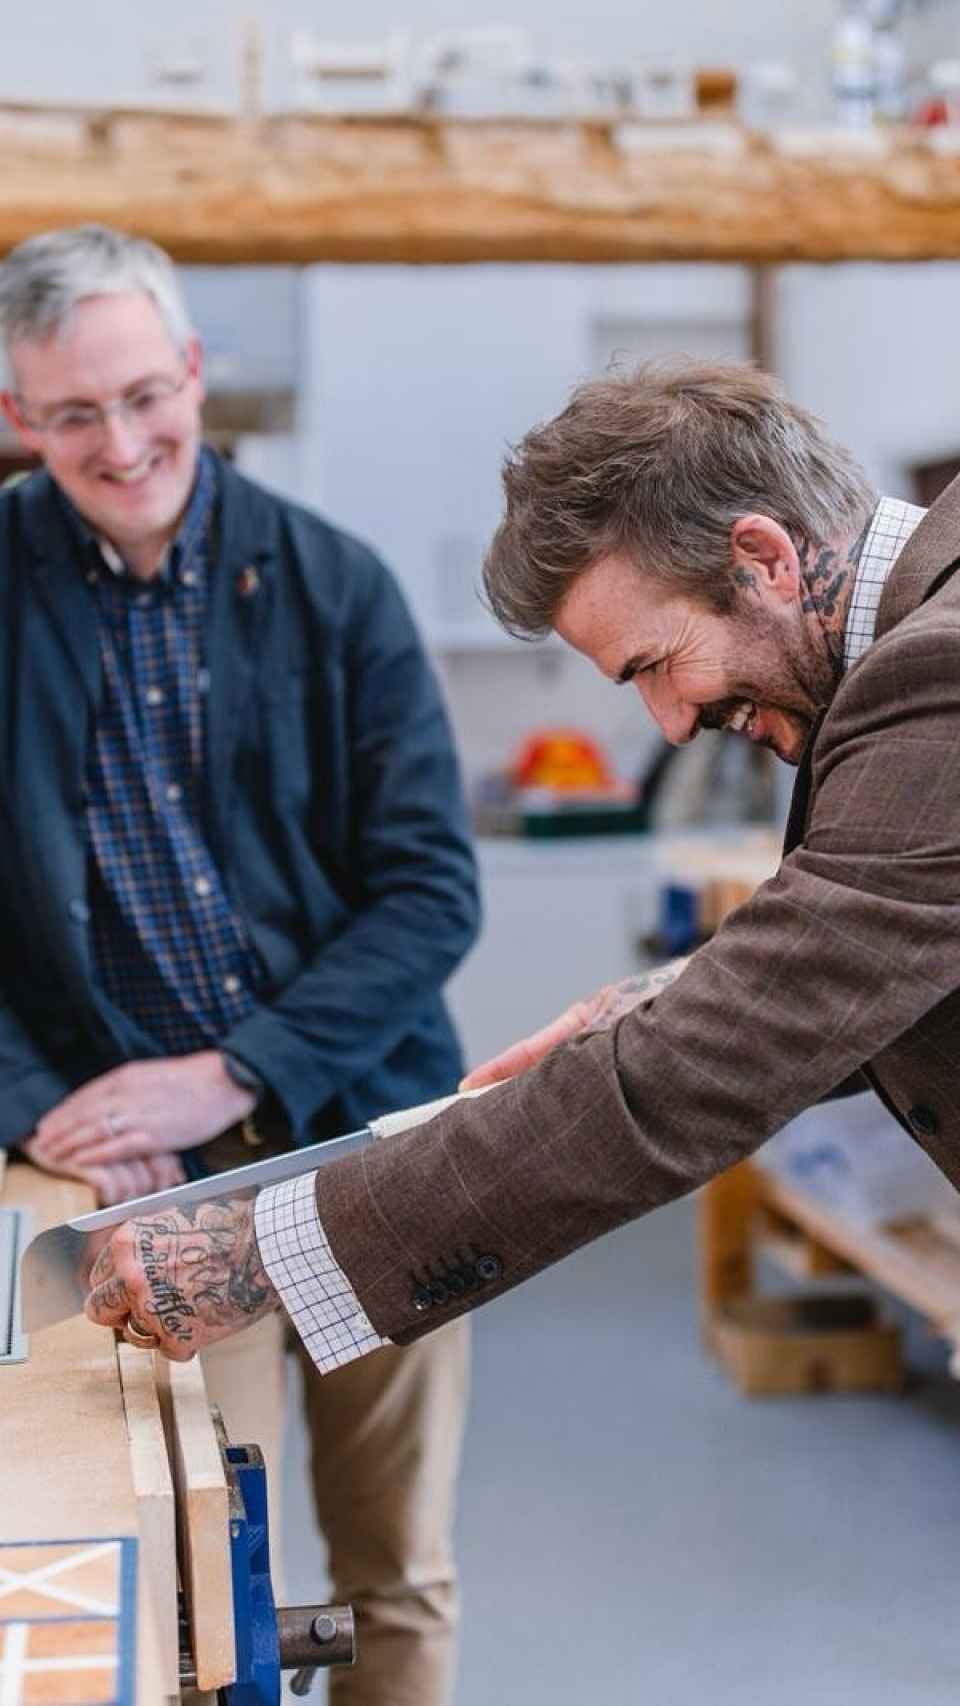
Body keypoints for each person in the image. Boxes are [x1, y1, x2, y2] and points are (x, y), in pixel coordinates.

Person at [87, 359, 960, 1391]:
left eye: (654, 663)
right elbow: (868, 948)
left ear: (764, 557)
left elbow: (689, 1077)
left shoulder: (932, 674)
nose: (672, 722)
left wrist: (266, 1250)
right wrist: (664, 997)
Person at [1, 224, 481, 1706]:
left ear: (195, 371)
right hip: (145, 1194)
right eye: (75, 412)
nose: (122, 441)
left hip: (371, 1144)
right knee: (216, 1580)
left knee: (396, 1566)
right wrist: (53, 1109)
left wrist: (231, 1069)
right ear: (19, 412)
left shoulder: (335, 585)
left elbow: (430, 893)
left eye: (145, 393)